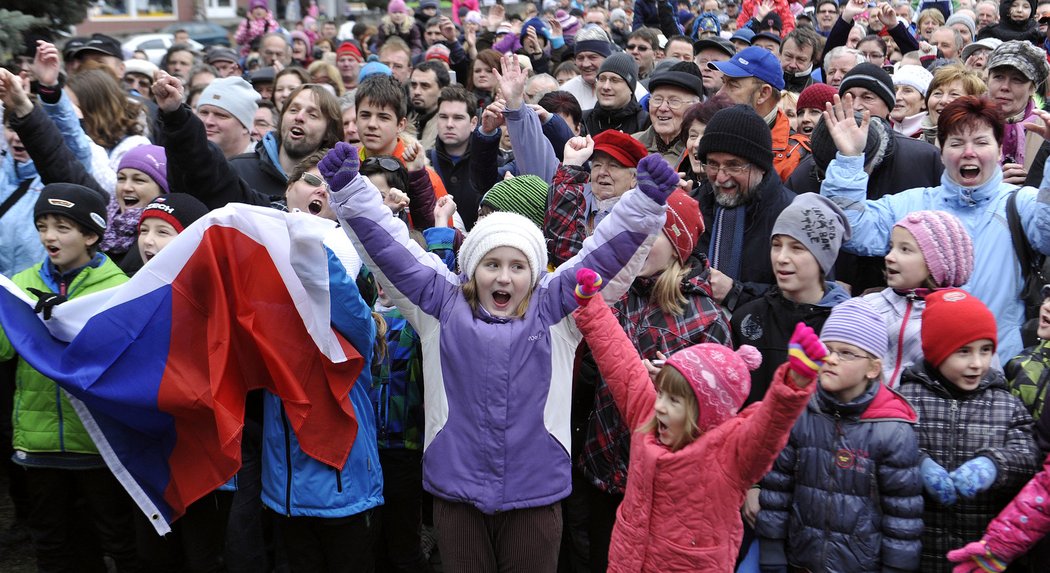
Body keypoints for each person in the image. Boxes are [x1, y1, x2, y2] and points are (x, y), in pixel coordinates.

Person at [322, 137, 678, 572]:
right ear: (472, 269)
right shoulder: (438, 305)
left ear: (535, 271)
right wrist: (349, 190)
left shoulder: (556, 311)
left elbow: (603, 257)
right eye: (492, 264)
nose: (504, 277)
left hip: (535, 498)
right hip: (456, 497)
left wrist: (644, 202)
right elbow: (392, 253)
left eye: (517, 265)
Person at [572, 269, 825, 572]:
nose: (660, 407)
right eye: (662, 393)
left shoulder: (731, 453)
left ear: (705, 411)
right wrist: (591, 306)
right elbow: (620, 360)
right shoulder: (648, 418)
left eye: (675, 400)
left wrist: (793, 385)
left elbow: (769, 428)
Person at [819, 94, 1050, 362]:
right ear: (941, 151)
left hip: (999, 369)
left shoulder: (1020, 204)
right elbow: (851, 228)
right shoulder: (914, 204)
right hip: (920, 374)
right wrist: (849, 159)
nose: (969, 152)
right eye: (956, 143)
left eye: (981, 142)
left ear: (999, 151)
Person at [0, 183, 136, 572]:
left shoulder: (119, 289)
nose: (49, 237)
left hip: (98, 445)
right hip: (38, 443)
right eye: (43, 225)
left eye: (62, 227)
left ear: (91, 235)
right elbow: (3, 350)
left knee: (117, 542)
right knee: (52, 547)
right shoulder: (21, 283)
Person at [756, 298, 923, 573]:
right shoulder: (801, 410)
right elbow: (777, 488)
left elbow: (903, 515)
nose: (831, 359)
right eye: (828, 350)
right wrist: (771, 550)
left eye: (846, 353)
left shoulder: (893, 429)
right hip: (801, 560)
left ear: (872, 368)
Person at [899, 288, 1041, 572]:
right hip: (920, 549)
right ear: (937, 352)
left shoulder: (1005, 403)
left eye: (985, 350)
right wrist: (919, 463)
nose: (977, 363)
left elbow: (1029, 453)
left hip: (979, 549)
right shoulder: (906, 399)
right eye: (963, 351)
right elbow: (887, 446)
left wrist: (993, 465)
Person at [731, 194, 851, 403]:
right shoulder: (747, 318)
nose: (782, 258)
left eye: (797, 248)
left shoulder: (844, 326)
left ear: (823, 258)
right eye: (777, 245)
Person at [693, 105, 796, 313]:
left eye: (734, 165)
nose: (721, 177)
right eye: (712, 164)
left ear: (761, 167)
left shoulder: (792, 216)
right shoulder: (693, 208)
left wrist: (735, 292)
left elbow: (806, 300)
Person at [861, 211, 975, 388]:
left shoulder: (962, 316)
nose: (889, 257)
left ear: (935, 263)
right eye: (891, 247)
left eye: (905, 249)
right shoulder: (868, 306)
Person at [711, 46, 808, 182]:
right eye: (723, 83)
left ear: (763, 94)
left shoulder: (795, 156)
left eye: (733, 85)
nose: (719, 93)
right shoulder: (705, 131)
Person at [633, 61, 702, 166]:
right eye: (657, 99)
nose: (663, 108)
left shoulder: (698, 152)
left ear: (694, 107)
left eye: (674, 101)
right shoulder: (631, 144)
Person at [582, 53, 649, 137]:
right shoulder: (584, 120)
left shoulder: (645, 123)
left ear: (631, 88)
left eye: (615, 80)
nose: (606, 86)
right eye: (602, 79)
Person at [920, 64, 988, 147]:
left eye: (954, 94)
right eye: (938, 93)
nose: (943, 100)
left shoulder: (982, 147)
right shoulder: (913, 147)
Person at [891, 65, 933, 139]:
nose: (897, 97)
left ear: (924, 101)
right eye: (895, 90)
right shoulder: (880, 131)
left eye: (907, 91)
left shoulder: (933, 137)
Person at [977, 0, 1043, 42]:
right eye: (1014, 5)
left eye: (1025, 7)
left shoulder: (1038, 34)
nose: (1019, 10)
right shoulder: (989, 33)